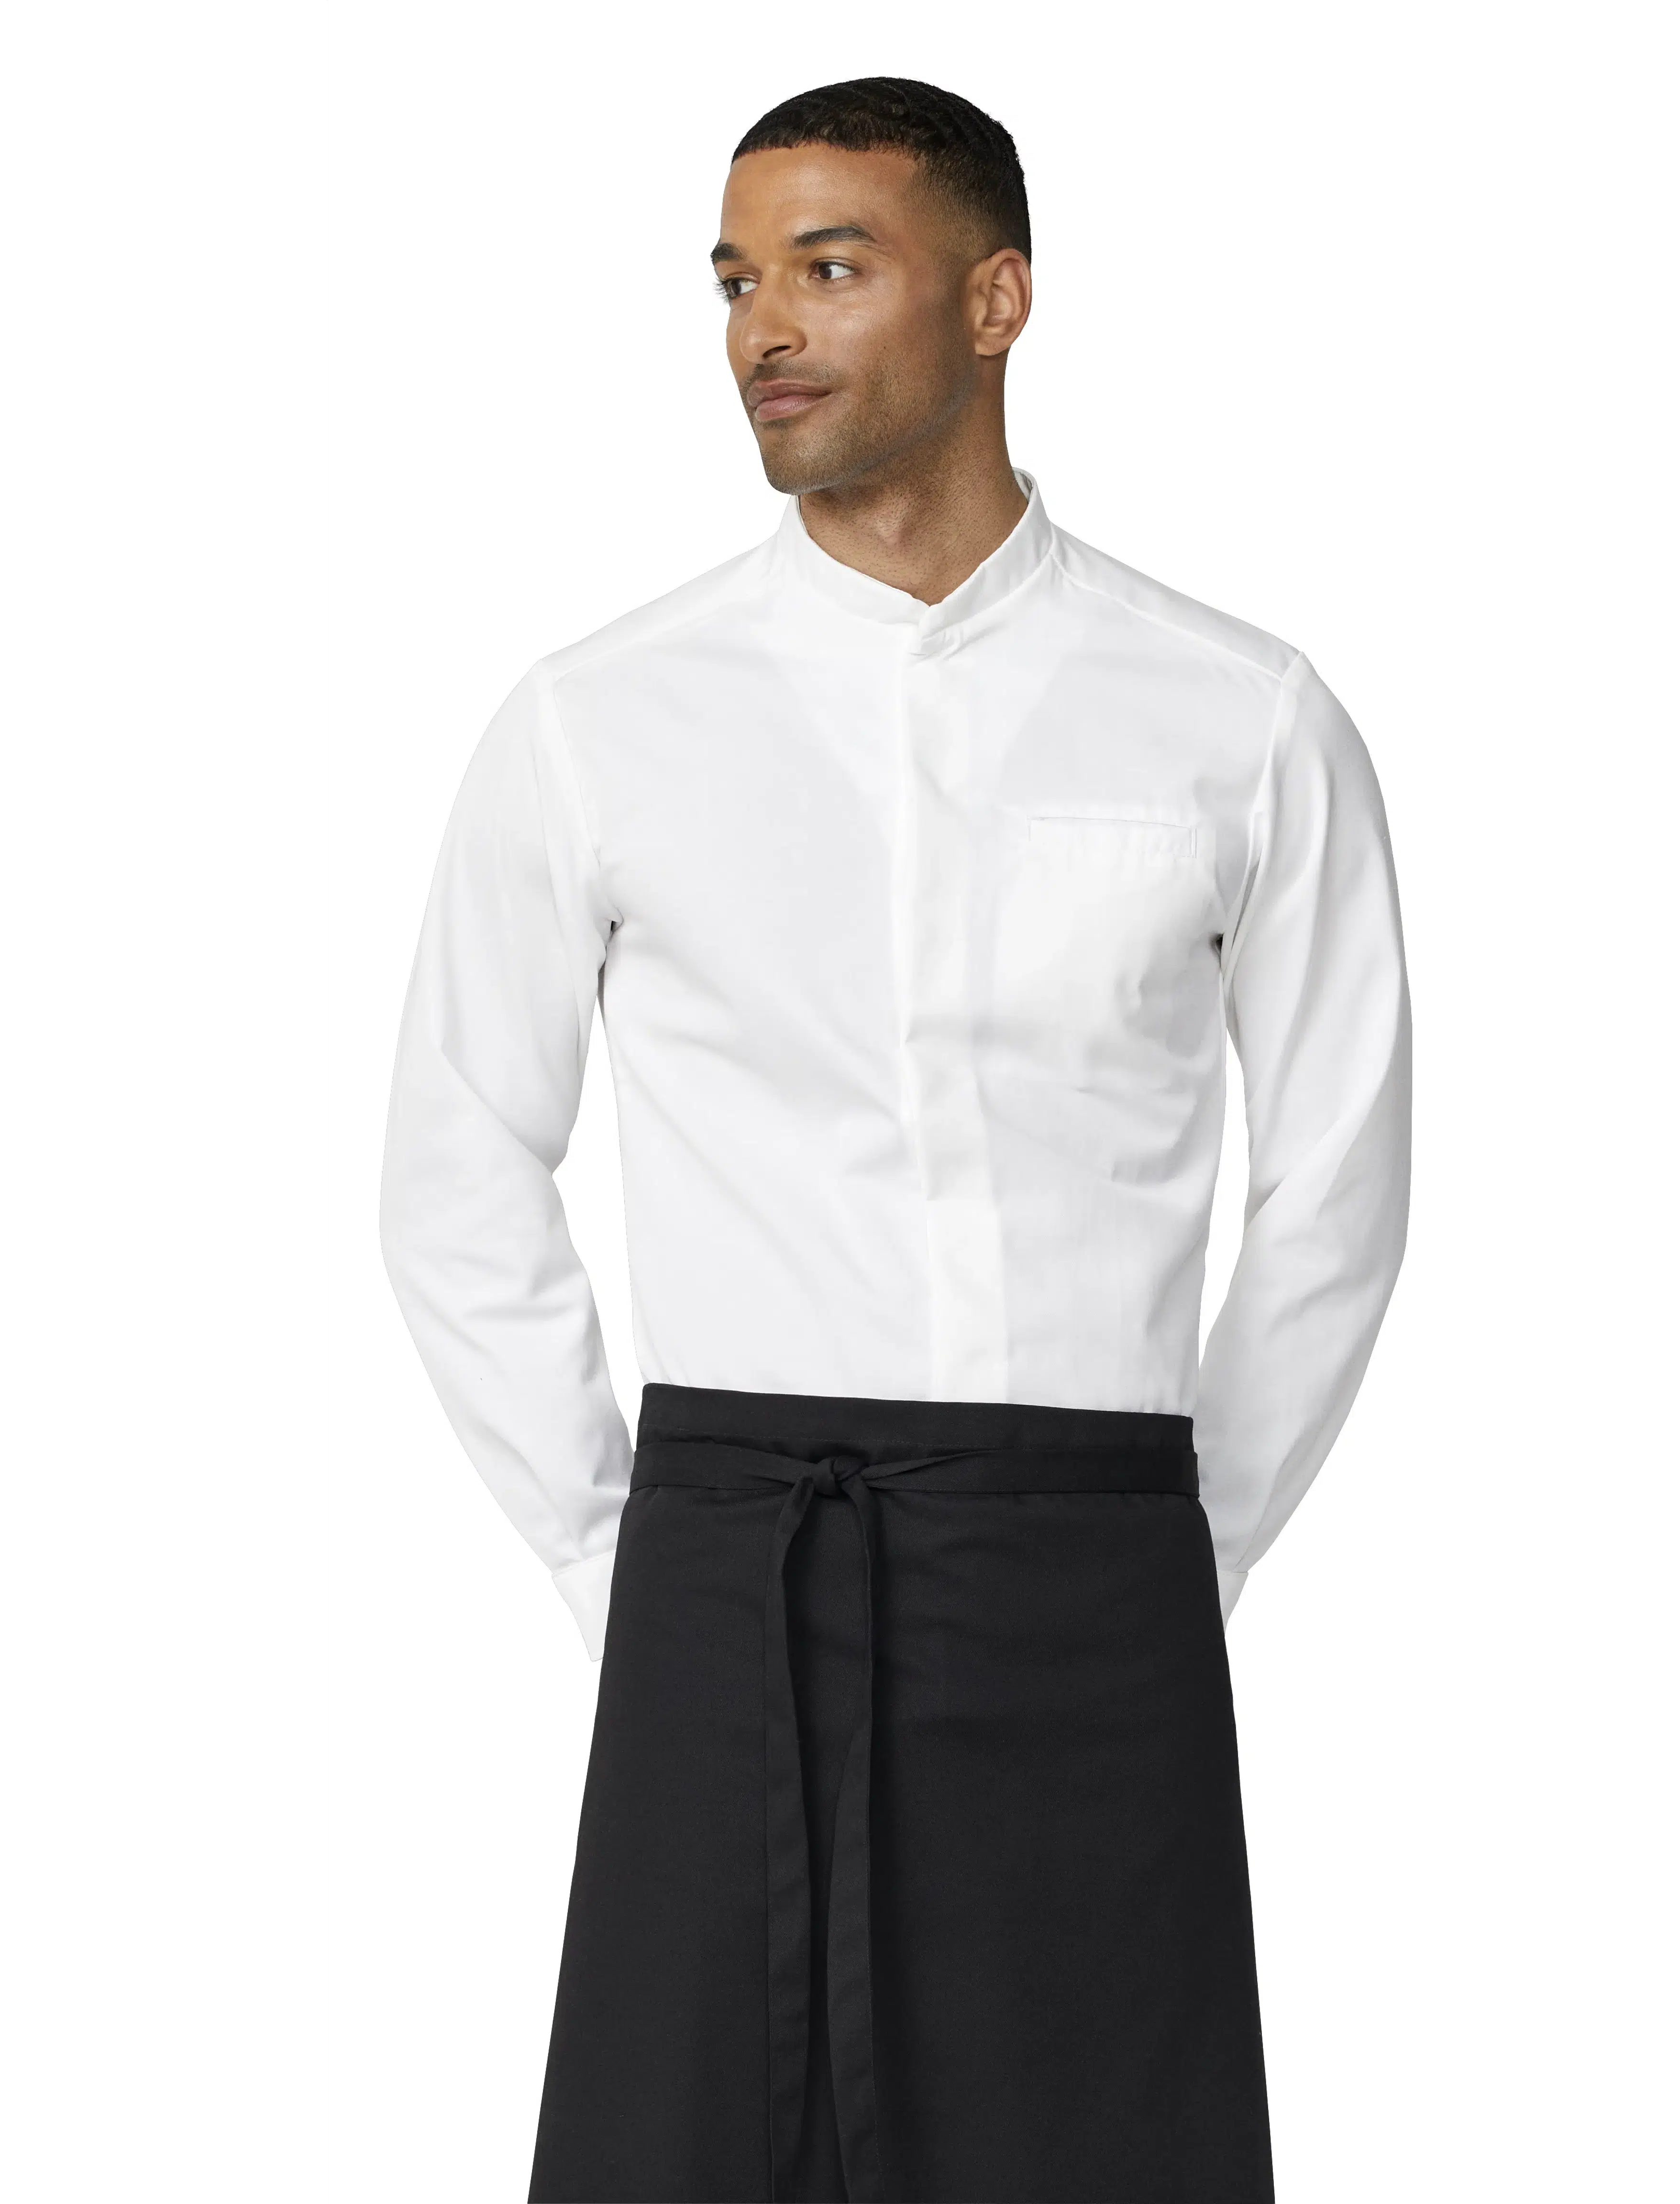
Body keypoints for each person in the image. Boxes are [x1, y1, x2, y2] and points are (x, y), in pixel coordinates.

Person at [380, 75, 1410, 2204]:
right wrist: (620, 1556)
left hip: (1091, 1566)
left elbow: (1338, 1184)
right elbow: (458, 1160)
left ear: (998, 298)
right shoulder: (599, 718)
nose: (765, 328)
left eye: (831, 268)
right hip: (728, 1561)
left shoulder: (1240, 715)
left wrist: (1171, 1549)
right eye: (736, 280)